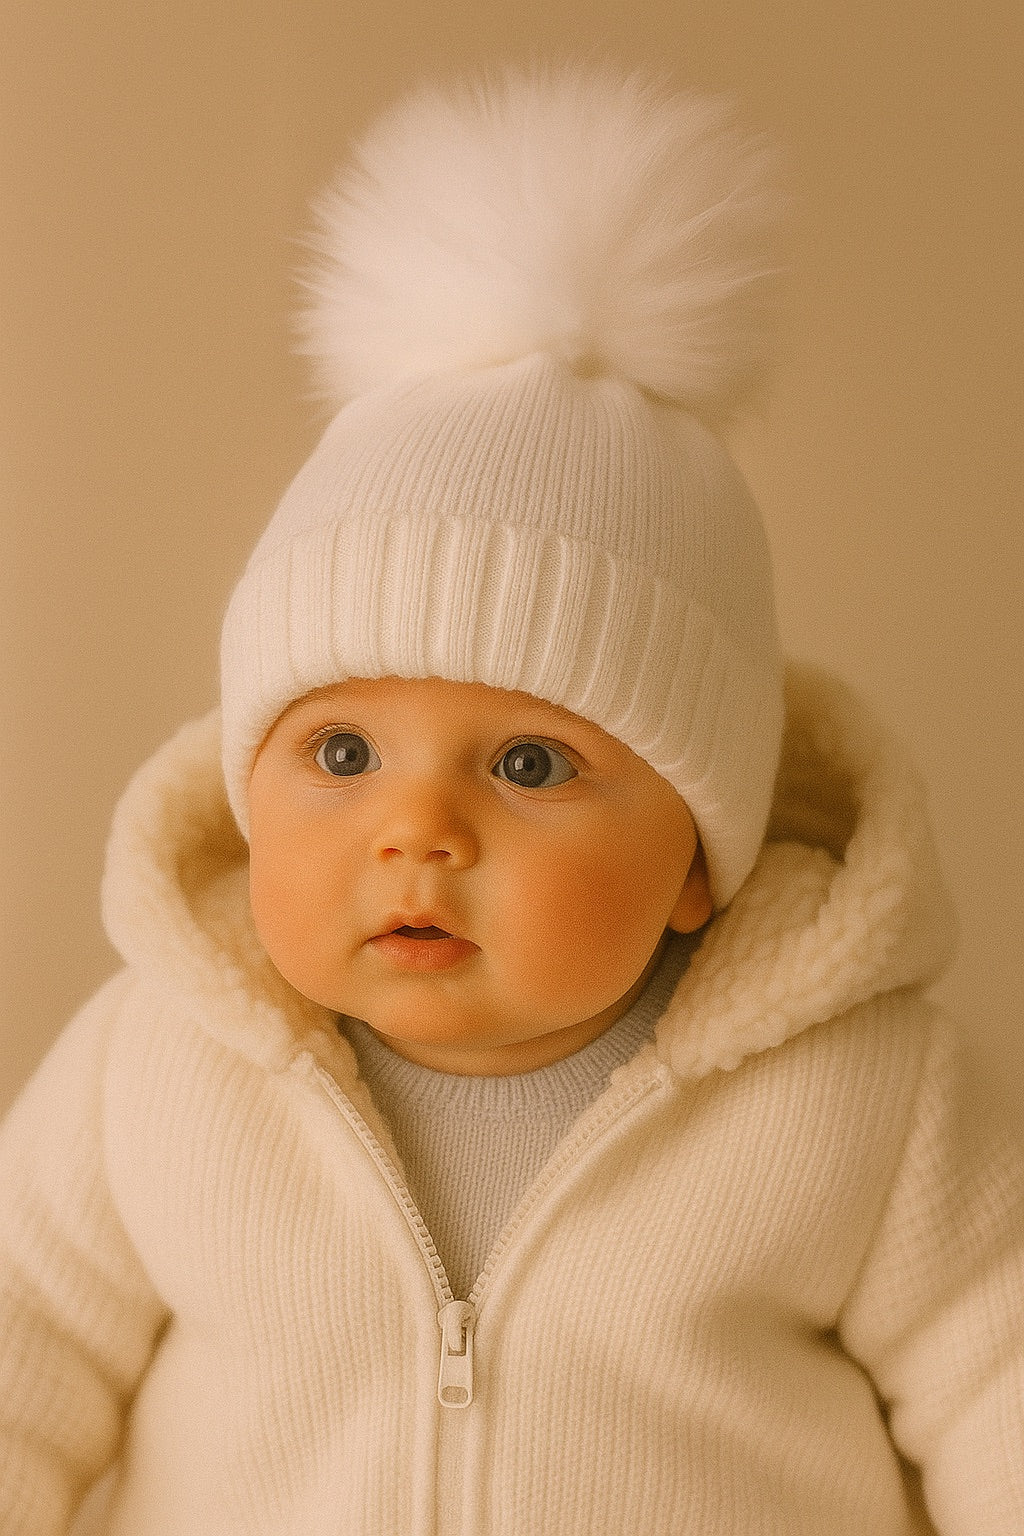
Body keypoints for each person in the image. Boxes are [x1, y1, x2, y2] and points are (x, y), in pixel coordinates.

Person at [1, 62, 1022, 1536]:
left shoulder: (868, 1096)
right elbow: (24, 1341)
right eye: (340, 754)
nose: (417, 831)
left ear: (698, 858)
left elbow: (1001, 1384)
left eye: (531, 764)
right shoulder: (154, 1068)